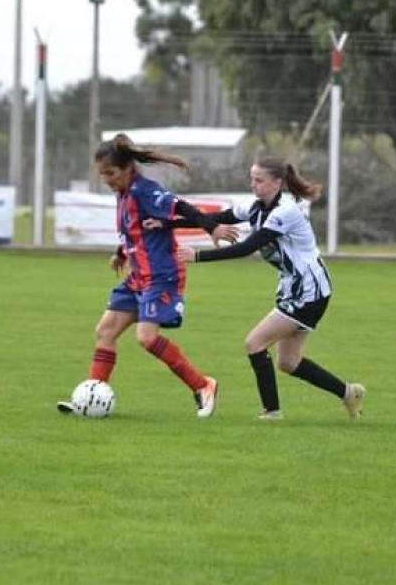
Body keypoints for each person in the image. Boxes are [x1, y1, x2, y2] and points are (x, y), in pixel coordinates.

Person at [55, 134, 237, 418]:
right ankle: (93, 399)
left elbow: (181, 207)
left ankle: (203, 385)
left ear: (127, 167)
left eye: (110, 173)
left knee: (147, 338)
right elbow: (133, 229)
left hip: (161, 276)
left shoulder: (144, 190)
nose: (106, 179)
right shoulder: (124, 194)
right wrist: (120, 252)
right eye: (102, 174)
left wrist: (211, 228)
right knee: (105, 332)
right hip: (138, 277)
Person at [170, 158, 367, 421]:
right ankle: (348, 393)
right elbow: (216, 219)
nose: (253, 185)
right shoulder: (255, 207)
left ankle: (272, 413)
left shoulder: (286, 211)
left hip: (309, 290)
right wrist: (166, 224)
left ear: (278, 182)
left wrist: (198, 256)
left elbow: (248, 246)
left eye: (259, 180)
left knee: (254, 342)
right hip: (295, 287)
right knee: (289, 362)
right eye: (252, 179)